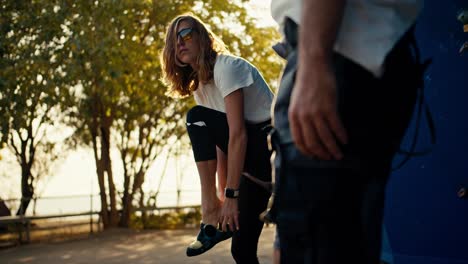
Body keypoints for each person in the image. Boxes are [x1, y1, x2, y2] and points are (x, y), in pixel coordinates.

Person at [268, 0, 427, 263]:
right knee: (350, 244)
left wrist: (314, 62)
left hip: (338, 50)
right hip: (363, 54)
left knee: (314, 247)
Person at [161, 14, 274, 263]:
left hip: (271, 152)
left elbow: (238, 135)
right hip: (250, 169)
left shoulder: (227, 67)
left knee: (195, 118)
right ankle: (214, 209)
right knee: (241, 251)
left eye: (186, 34)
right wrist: (226, 198)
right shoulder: (200, 87)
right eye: (173, 39)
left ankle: (208, 211)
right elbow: (220, 145)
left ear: (202, 38)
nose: (180, 42)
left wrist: (231, 198)